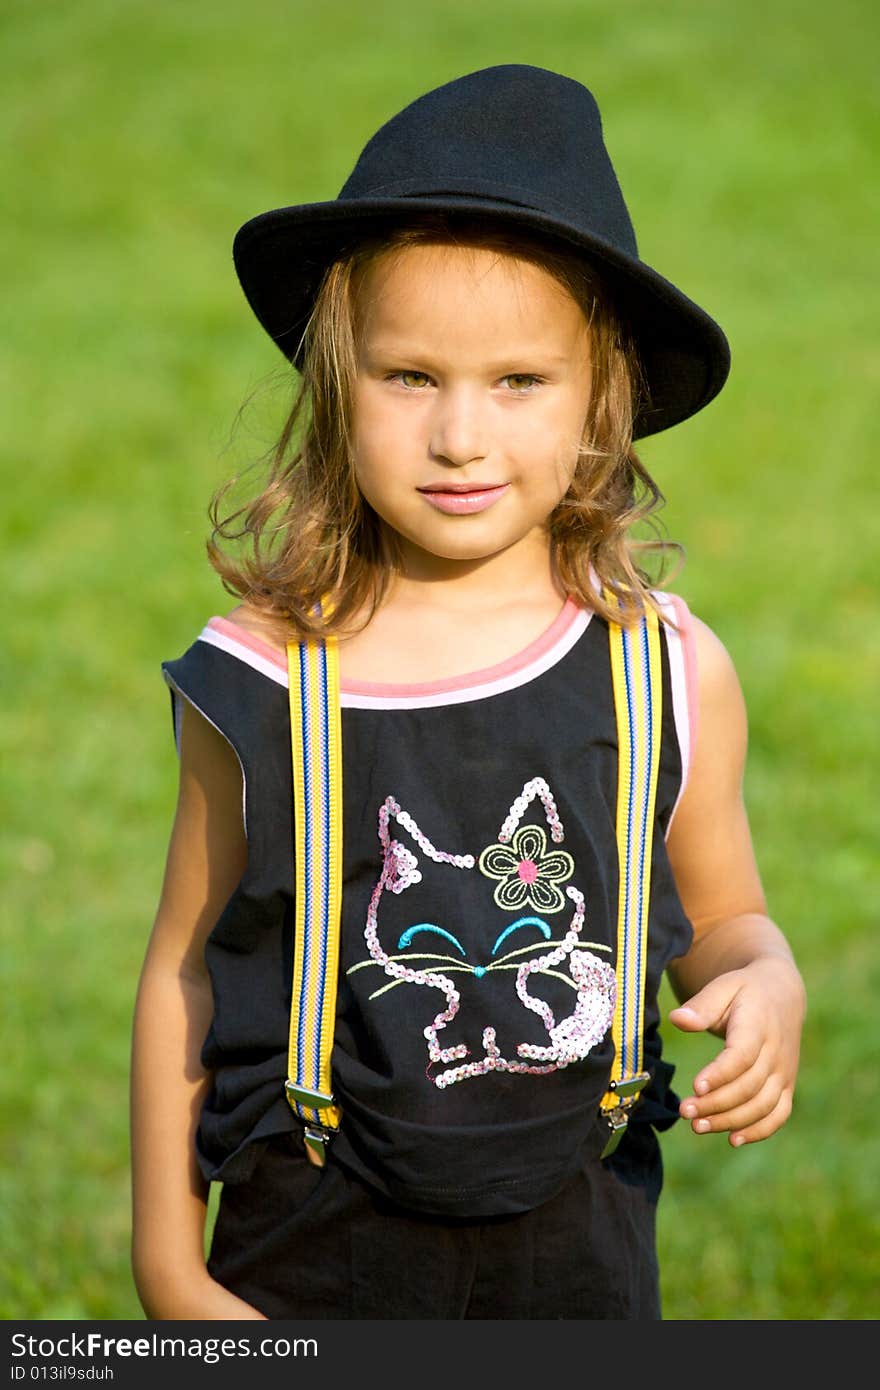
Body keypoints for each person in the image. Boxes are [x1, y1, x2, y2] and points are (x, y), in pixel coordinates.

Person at [130, 64, 806, 1321]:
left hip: (582, 1244)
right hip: (307, 1246)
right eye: (408, 376)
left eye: (517, 381)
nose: (459, 436)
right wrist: (172, 1268)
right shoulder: (261, 679)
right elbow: (184, 968)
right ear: (337, 380)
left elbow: (728, 917)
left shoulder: (665, 668)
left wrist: (767, 980)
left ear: (604, 398)